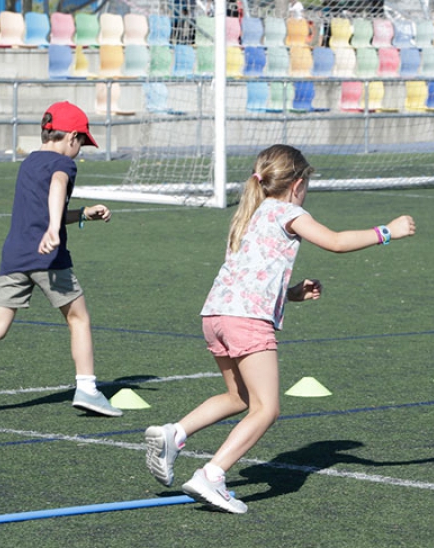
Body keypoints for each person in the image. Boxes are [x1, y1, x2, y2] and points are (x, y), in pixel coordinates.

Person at [143, 144, 416, 513]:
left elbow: (247, 277)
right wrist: (388, 231)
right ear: (297, 183)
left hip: (216, 315)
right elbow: (335, 242)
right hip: (247, 320)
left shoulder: (247, 214)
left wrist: (290, 294)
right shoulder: (289, 212)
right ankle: (213, 474)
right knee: (266, 409)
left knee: (239, 396)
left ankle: (174, 434)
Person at [0, 101, 122, 421]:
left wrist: (83, 214)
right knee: (78, 319)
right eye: (82, 142)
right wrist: (55, 229)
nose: (80, 149)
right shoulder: (64, 165)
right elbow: (57, 187)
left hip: (14, 256)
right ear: (70, 137)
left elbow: (41, 211)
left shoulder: (29, 163)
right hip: (48, 258)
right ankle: (87, 388)